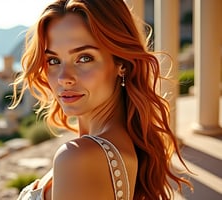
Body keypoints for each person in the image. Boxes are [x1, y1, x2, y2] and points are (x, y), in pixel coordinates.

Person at [10, 0, 192, 199]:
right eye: (53, 60)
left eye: (84, 58)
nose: (64, 78)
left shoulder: (80, 157)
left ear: (121, 62)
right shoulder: (118, 143)